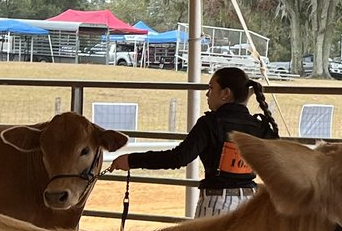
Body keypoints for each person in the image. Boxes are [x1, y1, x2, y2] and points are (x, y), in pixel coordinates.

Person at [108, 66, 279, 218]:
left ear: (225, 93)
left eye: (211, 88)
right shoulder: (260, 127)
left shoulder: (210, 123)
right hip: (252, 206)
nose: (207, 94)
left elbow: (178, 158)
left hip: (217, 204)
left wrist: (132, 160)